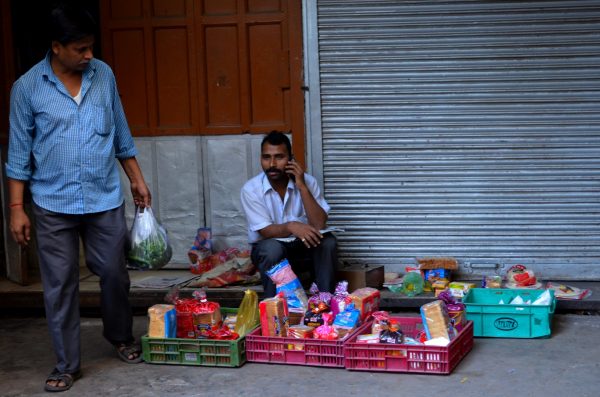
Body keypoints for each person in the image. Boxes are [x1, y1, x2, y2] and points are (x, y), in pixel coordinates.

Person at [5, 4, 150, 392]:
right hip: (52, 204)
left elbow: (120, 132)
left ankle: (119, 336)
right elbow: (19, 154)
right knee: (60, 285)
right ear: (56, 47)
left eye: (91, 48)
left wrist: (136, 178)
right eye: (81, 49)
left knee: (115, 274)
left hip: (103, 198)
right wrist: (17, 209)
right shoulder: (27, 87)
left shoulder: (103, 75)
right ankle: (67, 363)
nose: (89, 56)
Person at [240, 131, 338, 298]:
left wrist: (301, 185)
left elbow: (319, 224)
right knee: (272, 248)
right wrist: (292, 226)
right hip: (268, 251)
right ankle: (274, 307)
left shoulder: (308, 182)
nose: (272, 164)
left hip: (303, 249)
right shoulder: (251, 189)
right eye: (266, 157)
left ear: (291, 159)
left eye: (279, 157)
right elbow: (265, 231)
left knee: (327, 242)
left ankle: (325, 302)